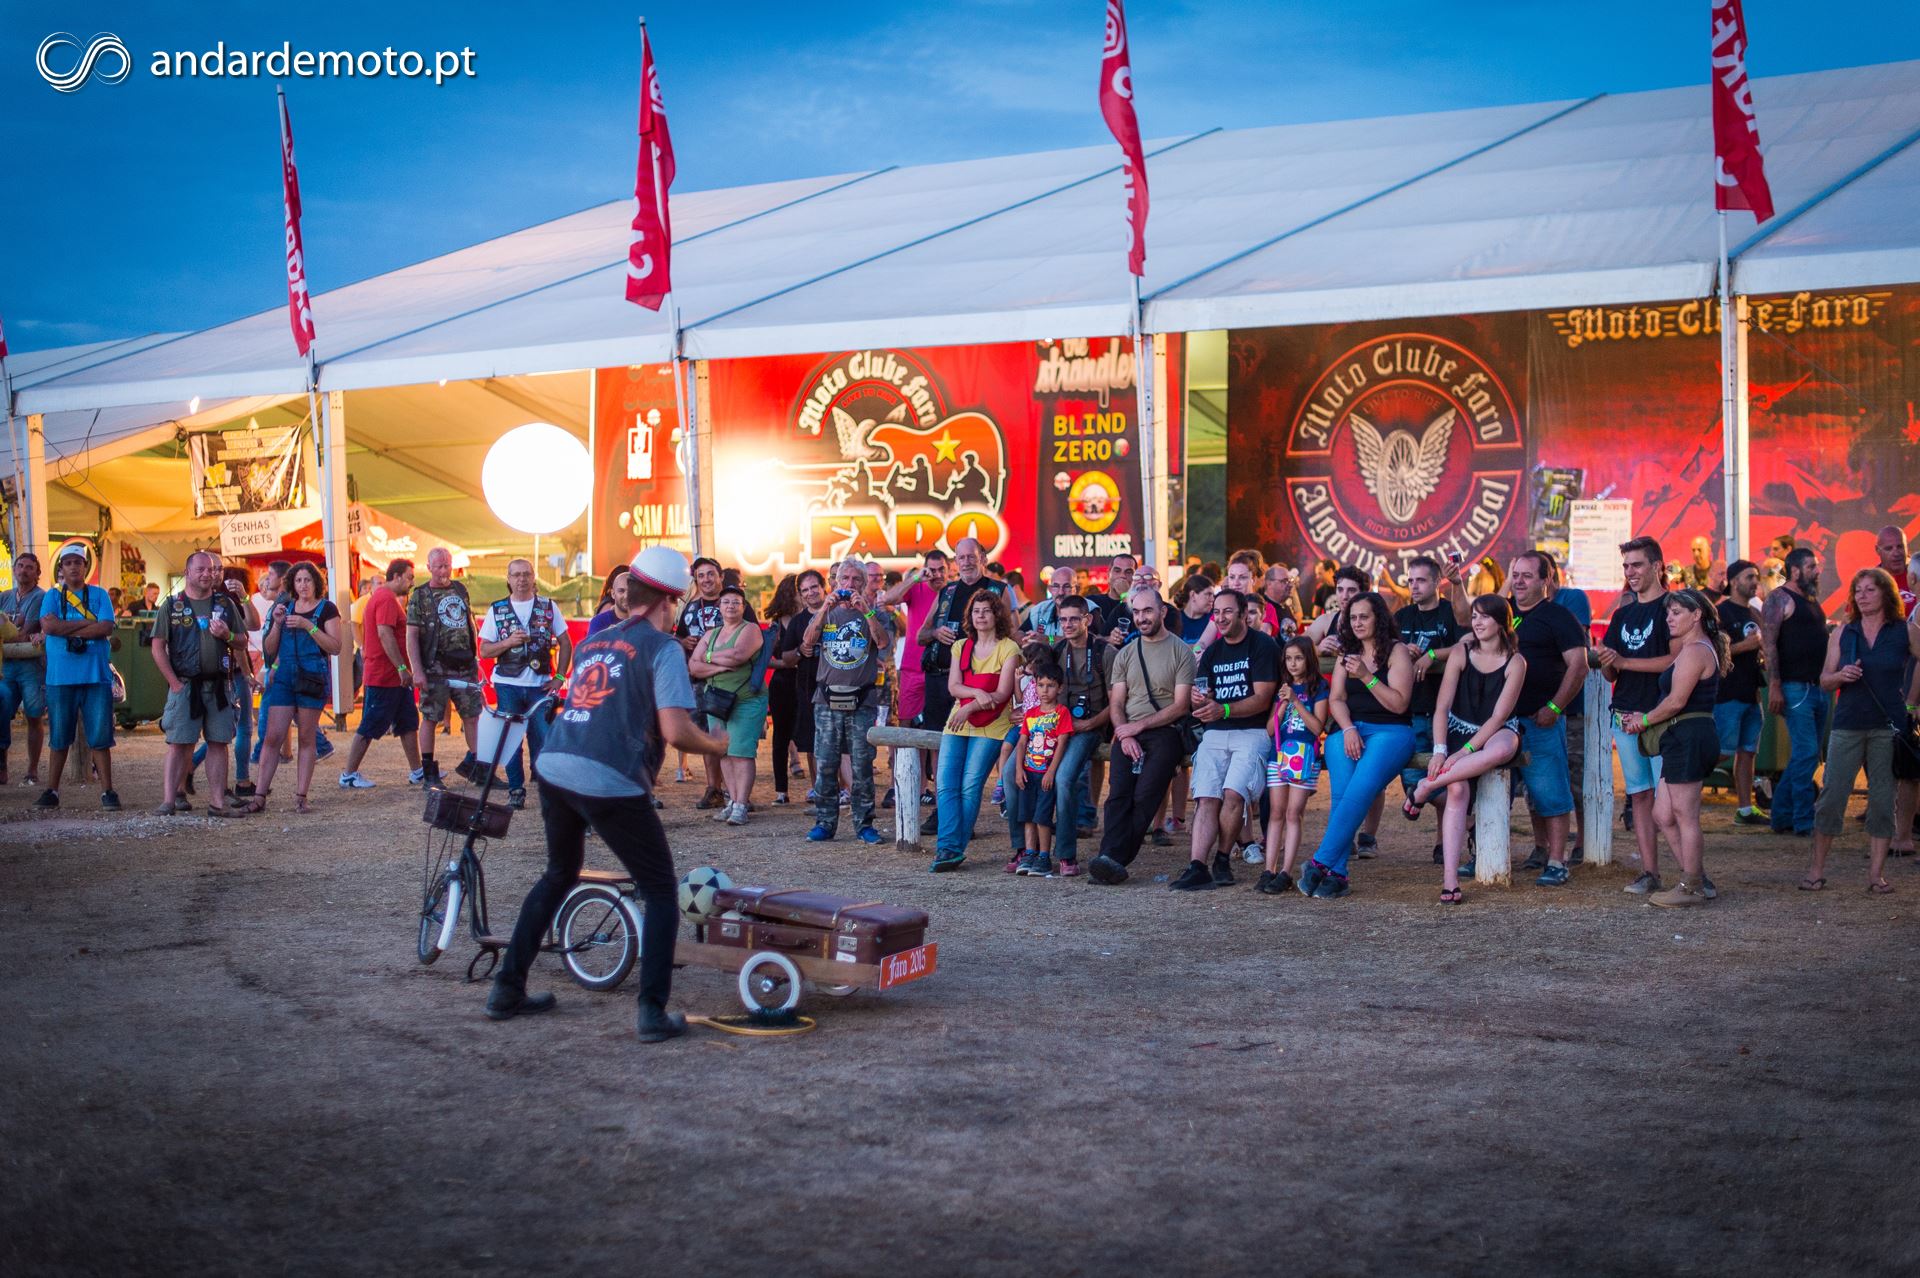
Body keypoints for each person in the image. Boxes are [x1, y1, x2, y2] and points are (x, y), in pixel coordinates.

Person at [485, 546, 729, 1042]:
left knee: (558, 873)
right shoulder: (664, 649)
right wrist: (716, 745)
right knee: (660, 889)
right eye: (676, 603)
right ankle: (652, 1013)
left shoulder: (595, 642)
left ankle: (507, 989)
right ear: (666, 601)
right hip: (609, 776)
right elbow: (677, 730)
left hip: (555, 766)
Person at [1800, 568, 1918, 894]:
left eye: (1870, 590)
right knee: (1832, 797)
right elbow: (1824, 680)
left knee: (1883, 800)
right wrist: (1841, 676)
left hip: (1888, 726)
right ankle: (1815, 871)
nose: (1862, 596)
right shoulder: (1843, 632)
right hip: (1848, 724)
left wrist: (1912, 701)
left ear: (1886, 593)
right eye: (1858, 590)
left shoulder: (1903, 630)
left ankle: (1876, 876)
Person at [1296, 592, 1417, 900]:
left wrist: (1366, 676)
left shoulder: (1396, 651)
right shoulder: (1346, 653)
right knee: (1342, 795)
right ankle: (1337, 874)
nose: (1358, 623)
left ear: (1379, 618)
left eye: (1364, 616)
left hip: (1391, 731)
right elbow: (1336, 699)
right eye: (1352, 618)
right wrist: (1348, 728)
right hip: (1348, 729)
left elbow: (1399, 704)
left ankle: (1320, 862)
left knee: (1360, 788)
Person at [1408, 596, 1527, 903]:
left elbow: (1499, 716)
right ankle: (1450, 879)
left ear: (1501, 622)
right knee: (1458, 791)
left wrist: (1464, 753)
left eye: (1484, 617)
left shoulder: (1516, 662)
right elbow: (1442, 706)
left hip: (1497, 730)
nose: (1477, 622)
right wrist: (1439, 750)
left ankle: (1425, 787)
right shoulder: (1461, 651)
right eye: (1474, 616)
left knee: (1504, 749)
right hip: (1458, 728)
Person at [1620, 590, 1731, 908]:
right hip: (1681, 737)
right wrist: (1644, 719)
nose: (1669, 618)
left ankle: (1691, 885)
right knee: (1662, 813)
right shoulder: (1691, 649)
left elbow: (1676, 701)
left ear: (1696, 616)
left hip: (1689, 737)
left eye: (1677, 612)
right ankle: (1694, 878)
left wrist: (1643, 720)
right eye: (1668, 612)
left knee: (1685, 814)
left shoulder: (1696, 650)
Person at [1170, 587, 1281, 892]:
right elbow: (1204, 695)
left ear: (1244, 614)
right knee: (1206, 795)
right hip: (1216, 731)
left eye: (1228, 611)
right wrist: (1199, 699)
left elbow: (1263, 698)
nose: (1220, 618)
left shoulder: (1263, 645)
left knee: (1233, 793)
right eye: (1216, 612)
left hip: (1253, 731)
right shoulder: (1212, 652)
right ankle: (1197, 866)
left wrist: (1225, 708)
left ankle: (1222, 859)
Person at [1086, 589, 1197, 885]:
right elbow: (1116, 704)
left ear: (1162, 612)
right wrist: (1125, 734)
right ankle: (1109, 859)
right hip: (1128, 732)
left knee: (1145, 796)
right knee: (1117, 796)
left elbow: (1180, 706)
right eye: (1136, 612)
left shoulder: (1181, 652)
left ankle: (1113, 858)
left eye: (1148, 611)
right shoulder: (1126, 653)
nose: (1141, 618)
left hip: (1165, 732)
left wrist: (1138, 727)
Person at [1595, 536, 1675, 894]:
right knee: (1640, 795)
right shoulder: (1622, 614)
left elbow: (1677, 659)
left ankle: (1692, 874)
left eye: (1637, 564)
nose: (1630, 572)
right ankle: (1649, 872)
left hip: (1663, 714)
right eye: (1626, 566)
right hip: (1625, 714)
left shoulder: (1674, 608)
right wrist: (1607, 661)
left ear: (1657, 566)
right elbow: (1611, 673)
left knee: (1671, 802)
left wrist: (1624, 662)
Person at [1504, 551, 1588, 886]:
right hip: (1501, 723)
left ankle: (1557, 861)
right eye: (1515, 575)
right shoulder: (1503, 613)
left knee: (1551, 792)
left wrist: (1554, 708)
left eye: (1527, 575)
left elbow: (1579, 665)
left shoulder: (1558, 616)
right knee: (1505, 791)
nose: (1519, 582)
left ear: (1545, 579)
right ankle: (1506, 853)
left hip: (1540, 720)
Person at [151, 551, 251, 818]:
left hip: (219, 685)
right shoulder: (171, 605)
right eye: (201, 570)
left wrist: (227, 634)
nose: (208, 574)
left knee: (219, 742)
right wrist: (173, 683)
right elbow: (157, 646)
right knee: (178, 743)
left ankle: (217, 803)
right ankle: (169, 801)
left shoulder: (225, 604)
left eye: (211, 570)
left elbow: (242, 641)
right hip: (185, 685)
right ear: (187, 573)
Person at [928, 590, 1021, 871]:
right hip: (958, 723)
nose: (980, 616)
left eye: (986, 611)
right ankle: (946, 847)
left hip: (992, 725)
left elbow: (1002, 694)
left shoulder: (1009, 649)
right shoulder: (961, 646)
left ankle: (953, 848)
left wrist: (969, 708)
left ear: (997, 615)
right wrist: (977, 693)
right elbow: (953, 687)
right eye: (976, 611)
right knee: (945, 783)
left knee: (970, 785)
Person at [478, 558, 574, 810]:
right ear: (508, 579)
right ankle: (516, 790)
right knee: (511, 740)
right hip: (507, 683)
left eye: (526, 574)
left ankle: (547, 790)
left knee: (543, 738)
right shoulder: (497, 609)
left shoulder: (548, 606)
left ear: (534, 577)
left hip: (540, 685)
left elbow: (566, 642)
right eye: (516, 575)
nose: (521, 579)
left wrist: (560, 677)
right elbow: (484, 650)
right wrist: (508, 643)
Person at [803, 560, 887, 845]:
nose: (849, 585)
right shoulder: (826, 612)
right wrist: (823, 609)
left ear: (864, 583)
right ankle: (824, 823)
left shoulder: (874, 612)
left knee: (862, 766)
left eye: (856, 580)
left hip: (861, 700)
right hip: (826, 700)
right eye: (844, 579)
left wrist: (867, 611)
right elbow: (807, 642)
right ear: (835, 582)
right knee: (826, 764)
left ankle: (864, 824)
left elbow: (883, 642)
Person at [249, 562, 344, 814]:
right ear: (292, 583)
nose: (303, 585)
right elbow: (270, 649)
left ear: (316, 583)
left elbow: (335, 647)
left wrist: (308, 625)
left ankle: (301, 796)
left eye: (308, 580)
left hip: (312, 677)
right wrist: (277, 624)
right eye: (299, 580)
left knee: (306, 737)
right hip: (285, 678)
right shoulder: (284, 607)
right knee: (273, 736)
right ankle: (259, 796)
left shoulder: (327, 609)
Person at [1393, 556, 1469, 864]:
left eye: (1421, 580)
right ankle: (1470, 818)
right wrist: (1402, 651)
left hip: (1447, 711)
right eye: (1410, 580)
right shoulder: (1401, 617)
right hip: (1410, 711)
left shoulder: (1450, 612)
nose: (1414, 586)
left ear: (1437, 582)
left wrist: (1433, 655)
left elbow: (1469, 643)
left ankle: (1443, 843)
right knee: (1414, 780)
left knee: (1443, 775)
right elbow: (1383, 649)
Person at [33, 549, 119, 810]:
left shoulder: (100, 594)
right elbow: (49, 627)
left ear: (85, 566)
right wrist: (87, 625)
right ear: (61, 568)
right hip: (60, 677)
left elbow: (107, 627)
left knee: (101, 737)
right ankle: (52, 790)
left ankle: (107, 791)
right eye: (68, 563)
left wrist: (64, 627)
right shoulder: (51, 596)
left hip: (95, 675)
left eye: (78, 563)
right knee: (59, 737)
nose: (73, 567)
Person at [338, 558, 423, 789]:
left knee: (408, 722)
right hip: (384, 676)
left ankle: (417, 771)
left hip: (393, 677)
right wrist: (402, 668)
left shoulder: (384, 597)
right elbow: (385, 634)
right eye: (409, 577)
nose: (412, 582)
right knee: (370, 725)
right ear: (396, 577)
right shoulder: (385, 598)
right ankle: (348, 774)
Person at [687, 584, 767, 826]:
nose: (731, 606)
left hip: (746, 700)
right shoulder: (711, 634)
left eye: (736, 602)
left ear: (743, 607)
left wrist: (708, 657)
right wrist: (718, 667)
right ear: (719, 607)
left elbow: (737, 656)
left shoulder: (750, 629)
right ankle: (732, 800)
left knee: (741, 752)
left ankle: (742, 805)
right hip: (716, 700)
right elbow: (694, 666)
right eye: (726, 602)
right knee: (723, 751)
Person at [1760, 548, 1826, 839]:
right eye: (1811, 566)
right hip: (1794, 687)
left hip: (1818, 687)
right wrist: (1775, 684)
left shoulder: (1811, 599)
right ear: (1795, 570)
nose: (1817, 571)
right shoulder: (1779, 598)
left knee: (1807, 756)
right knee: (1806, 752)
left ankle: (1782, 815)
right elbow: (1769, 644)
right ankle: (1803, 820)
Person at [1047, 595, 1113, 874]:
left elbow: (1117, 703)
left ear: (1087, 620)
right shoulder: (1057, 650)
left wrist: (1089, 724)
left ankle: (1066, 855)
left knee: (1064, 778)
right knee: (1020, 773)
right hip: (1059, 725)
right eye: (1063, 619)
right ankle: (1029, 851)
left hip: (1091, 728)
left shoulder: (1104, 652)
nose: (1068, 624)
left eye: (1074, 619)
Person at [406, 548, 481, 790]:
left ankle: (478, 767)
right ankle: (429, 772)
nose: (443, 571)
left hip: (464, 664)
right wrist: (417, 670)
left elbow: (470, 624)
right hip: (435, 666)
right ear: (429, 567)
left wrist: (476, 658)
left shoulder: (460, 589)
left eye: (446, 565)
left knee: (472, 715)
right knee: (430, 717)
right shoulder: (420, 595)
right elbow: (412, 635)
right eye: (438, 566)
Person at [1259, 636, 1329, 893]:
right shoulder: (1283, 688)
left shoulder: (1319, 687)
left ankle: (1286, 872)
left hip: (1304, 757)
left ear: (1309, 659)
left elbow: (1317, 727)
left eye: (1298, 658)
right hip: (1279, 756)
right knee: (1276, 812)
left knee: (1293, 812)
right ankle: (1269, 869)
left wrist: (1297, 702)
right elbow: (1270, 730)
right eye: (1288, 658)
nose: (1293, 664)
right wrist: (1283, 704)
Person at [1714, 560, 1769, 826]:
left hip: (1752, 693)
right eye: (1749, 577)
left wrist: (1763, 656)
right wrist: (1746, 646)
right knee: (1720, 752)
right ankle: (1678, 794)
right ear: (1734, 581)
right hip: (1728, 694)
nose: (1755, 581)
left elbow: (1761, 648)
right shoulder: (1720, 612)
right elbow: (1714, 652)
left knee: (1748, 753)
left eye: (1756, 576)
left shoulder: (1755, 613)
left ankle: (1745, 809)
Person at [1007, 661, 1072, 877]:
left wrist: (1051, 771)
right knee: (1027, 815)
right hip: (1028, 773)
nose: (1045, 691)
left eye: (1050, 686)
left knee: (1042, 817)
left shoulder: (1062, 713)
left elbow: (1062, 743)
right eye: (1040, 685)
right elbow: (1022, 743)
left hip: (1045, 775)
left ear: (1060, 688)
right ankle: (1029, 853)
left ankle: (1044, 857)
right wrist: (1018, 769)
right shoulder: (1031, 714)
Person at [673, 555, 727, 806]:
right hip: (699, 683)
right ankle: (713, 789)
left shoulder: (733, 602)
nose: (706, 579)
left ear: (720, 577)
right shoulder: (691, 608)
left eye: (710, 574)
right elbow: (678, 637)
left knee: (732, 737)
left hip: (729, 679)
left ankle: (736, 792)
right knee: (708, 736)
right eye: (701, 575)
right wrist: (683, 642)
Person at [770, 570, 826, 805]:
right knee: (786, 736)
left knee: (819, 736)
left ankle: (830, 788)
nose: (808, 593)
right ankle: (783, 790)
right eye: (803, 590)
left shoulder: (829, 614)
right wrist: (798, 655)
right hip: (787, 684)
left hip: (814, 683)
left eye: (813, 588)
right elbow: (775, 657)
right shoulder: (783, 623)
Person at [0, 552, 48, 785]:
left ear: (38, 573)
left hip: (31, 666)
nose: (24, 571)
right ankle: (2, 766)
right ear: (14, 569)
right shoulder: (4, 597)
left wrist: (8, 633)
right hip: (6, 665)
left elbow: (25, 631)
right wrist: (15, 633)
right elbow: (17, 633)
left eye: (30, 567)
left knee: (34, 716)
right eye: (20, 566)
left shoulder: (40, 597)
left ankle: (32, 770)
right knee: (2, 715)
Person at [1021, 566, 1077, 643]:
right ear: (1050, 589)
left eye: (1067, 586)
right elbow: (1019, 633)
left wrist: (1048, 639)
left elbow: (1076, 641)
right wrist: (1026, 638)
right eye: (1056, 586)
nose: (1061, 592)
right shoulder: (1040, 609)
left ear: (1076, 589)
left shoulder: (1087, 609)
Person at [587, 564, 633, 636]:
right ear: (613, 593)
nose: (626, 596)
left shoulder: (643, 621)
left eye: (631, 590)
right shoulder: (600, 621)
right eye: (621, 591)